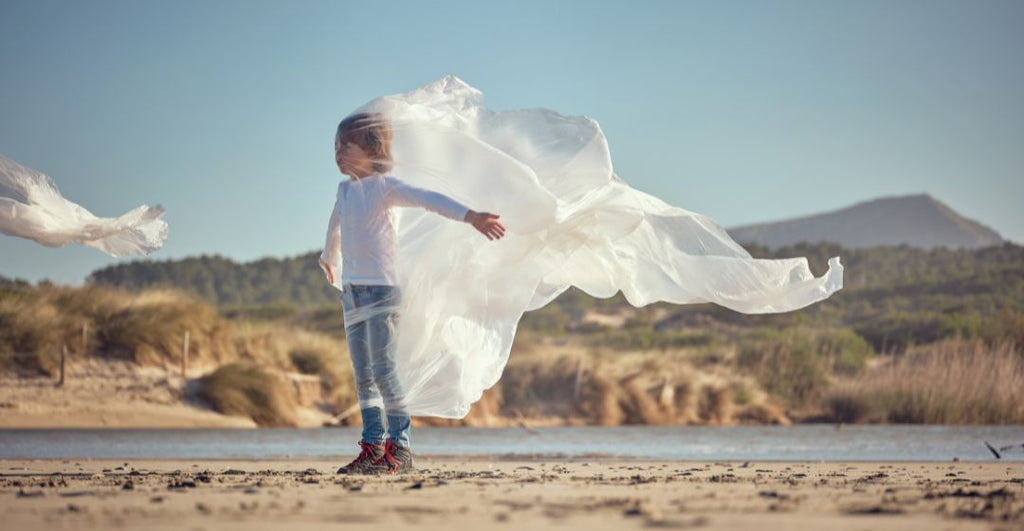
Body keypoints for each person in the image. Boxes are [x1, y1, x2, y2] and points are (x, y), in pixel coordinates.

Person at [319, 112, 505, 475]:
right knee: (363, 374)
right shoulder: (345, 190)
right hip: (352, 293)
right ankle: (372, 447)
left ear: (372, 150)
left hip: (382, 293)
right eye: (335, 146)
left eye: (347, 145)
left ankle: (400, 448)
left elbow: (428, 198)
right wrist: (329, 257)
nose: (338, 152)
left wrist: (471, 217)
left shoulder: (385, 187)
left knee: (385, 371)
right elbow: (335, 224)